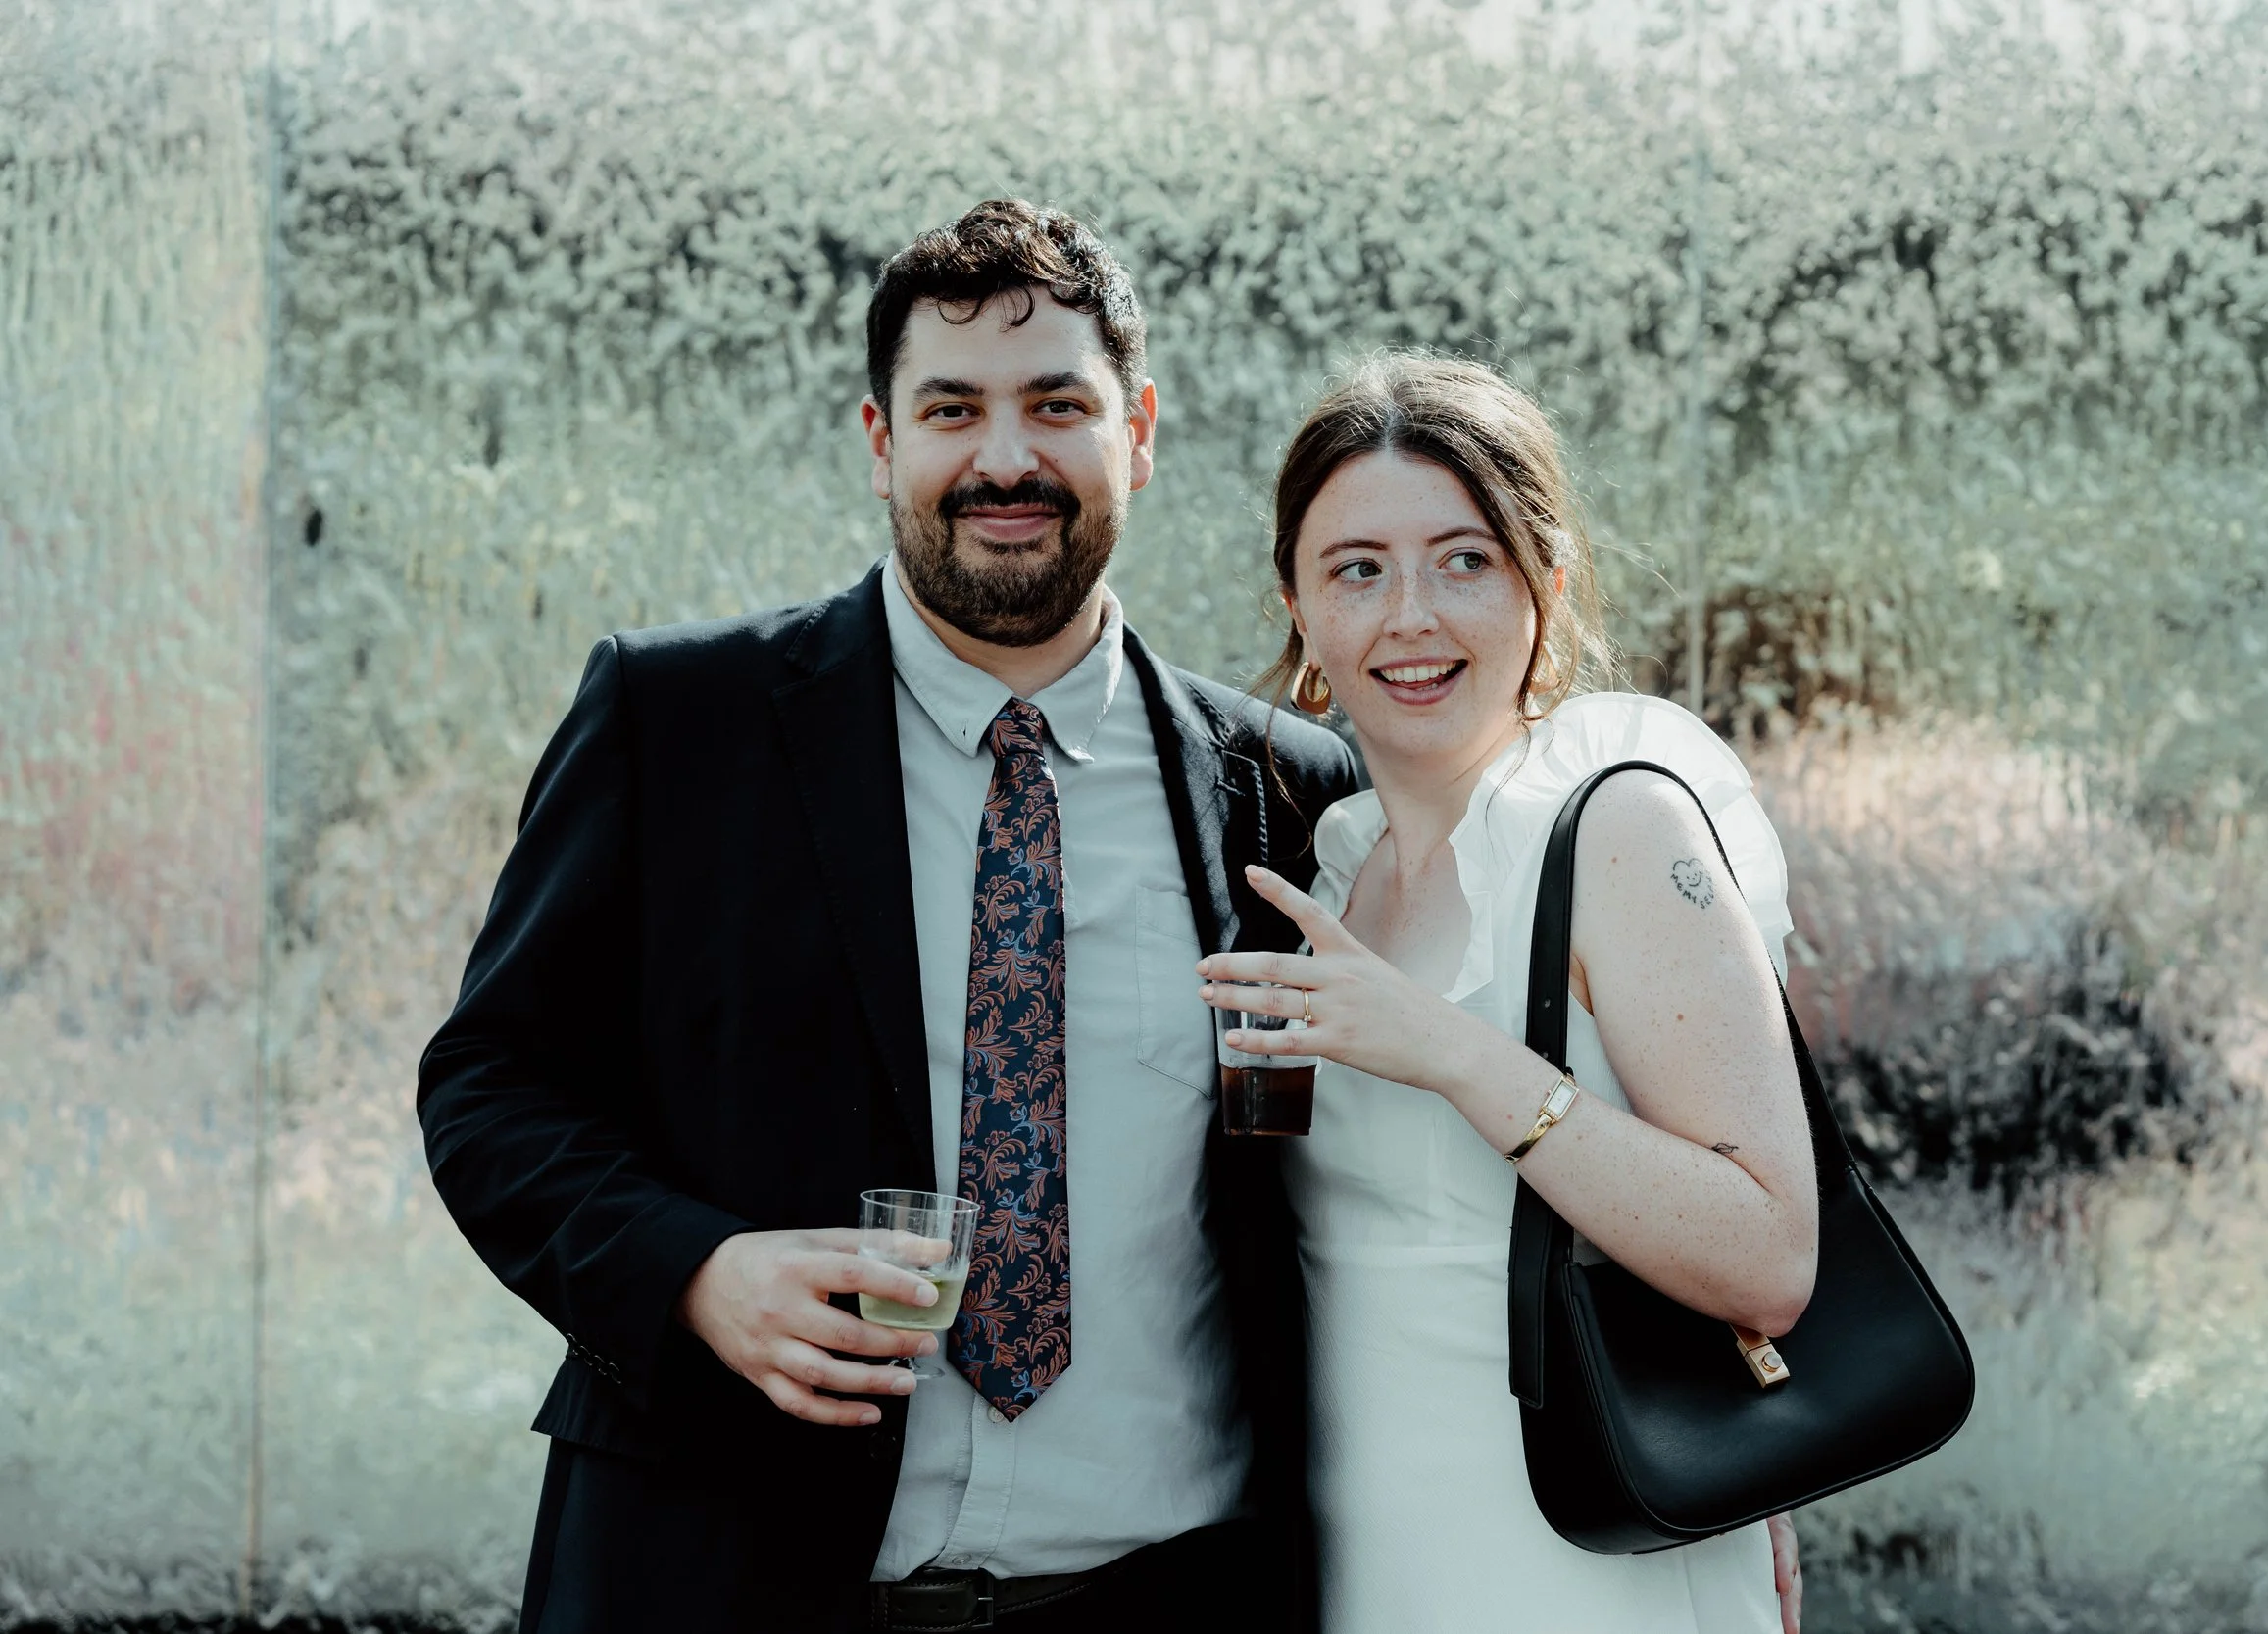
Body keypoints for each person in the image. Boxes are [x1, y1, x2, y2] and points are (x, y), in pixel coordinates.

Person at [416, 199, 1358, 1633]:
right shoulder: (678, 725)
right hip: (730, 1583)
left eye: (1059, 405)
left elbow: (1397, 1192)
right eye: (952, 409)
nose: (1005, 458)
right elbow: (490, 1090)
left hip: (1168, 1595)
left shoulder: (1285, 789)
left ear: (1141, 431)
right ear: (881, 443)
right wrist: (694, 1273)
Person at [1197, 353, 1816, 1633]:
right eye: (1358, 568)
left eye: (1465, 560)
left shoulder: (1622, 834)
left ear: (1549, 583)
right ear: (1301, 610)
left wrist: (1455, 1053)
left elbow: (1769, 1257)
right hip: (1370, 1549)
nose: (1411, 614)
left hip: (1589, 1552)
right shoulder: (1327, 859)